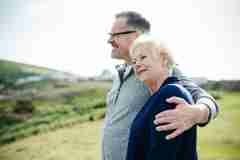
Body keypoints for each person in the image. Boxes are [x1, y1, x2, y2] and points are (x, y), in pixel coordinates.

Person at [102, 11, 219, 160]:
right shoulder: (121, 73)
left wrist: (197, 113)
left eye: (115, 35)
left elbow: (204, 98)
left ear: (136, 36)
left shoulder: (158, 69)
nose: (109, 41)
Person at [127, 35, 197, 160]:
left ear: (164, 59)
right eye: (134, 61)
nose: (137, 64)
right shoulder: (157, 97)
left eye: (143, 57)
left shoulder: (170, 93)